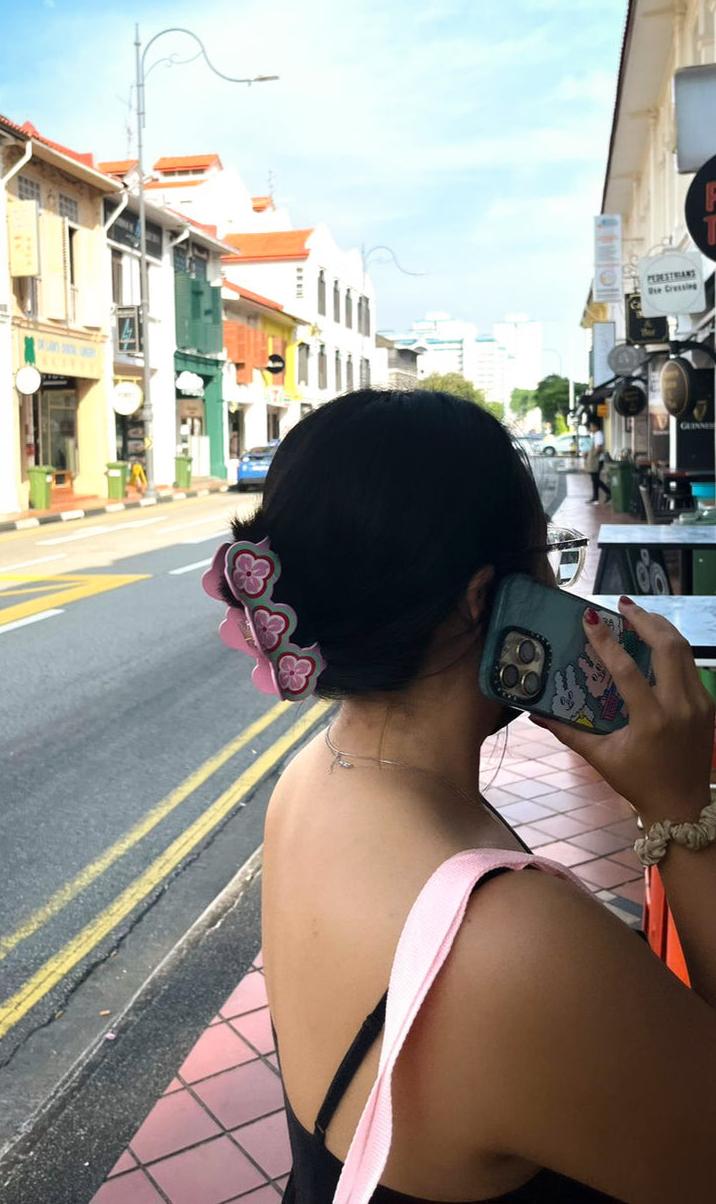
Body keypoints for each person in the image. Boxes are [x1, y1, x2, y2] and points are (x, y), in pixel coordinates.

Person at [204, 389, 716, 1204]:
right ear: (486, 602)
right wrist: (680, 813)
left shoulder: (308, 783)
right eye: (545, 555)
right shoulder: (513, 944)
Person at [585, 419, 610, 504]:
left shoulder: (598, 434)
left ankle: (608, 492)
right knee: (594, 479)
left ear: (595, 426)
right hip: (596, 460)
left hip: (597, 460)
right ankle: (595, 497)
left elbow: (598, 447)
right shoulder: (596, 435)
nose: (590, 428)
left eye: (591, 426)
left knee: (595, 479)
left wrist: (593, 455)